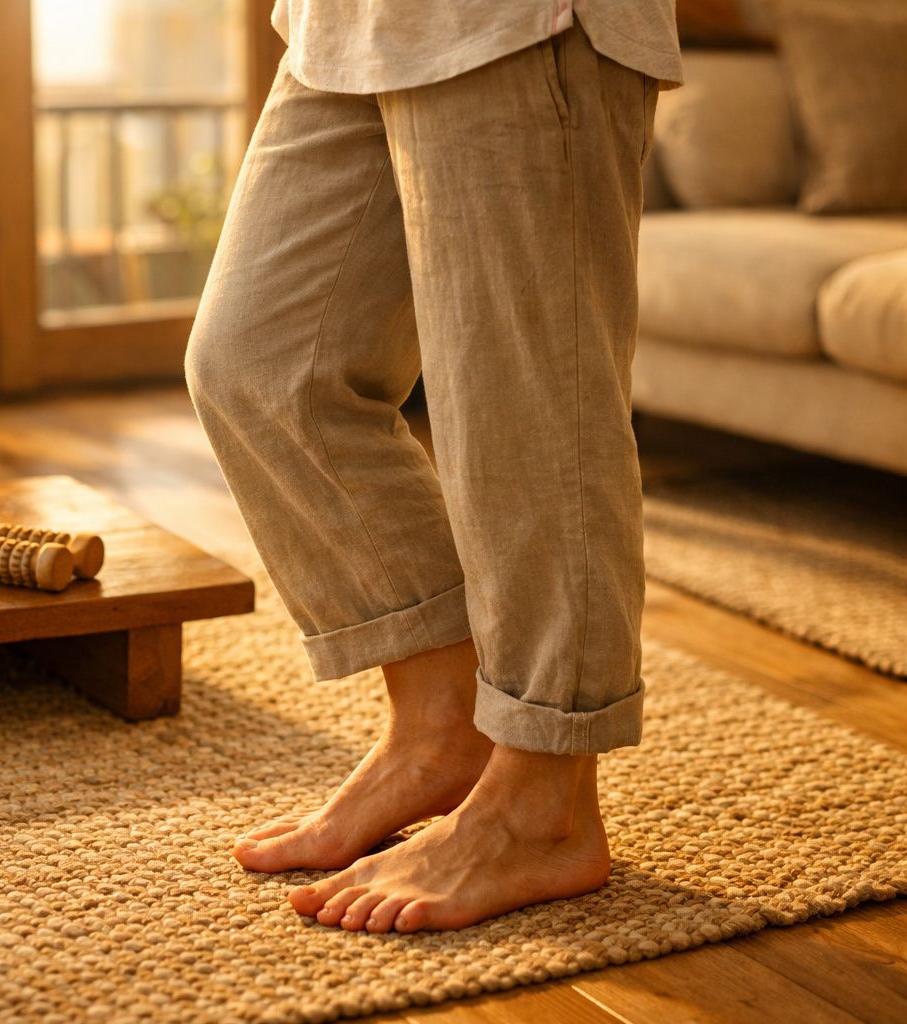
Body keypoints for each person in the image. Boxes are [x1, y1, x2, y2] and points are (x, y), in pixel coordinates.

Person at [184, 1, 683, 934]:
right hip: (345, 21)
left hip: (517, 20)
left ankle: (546, 801)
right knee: (259, 366)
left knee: (525, 409)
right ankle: (439, 727)